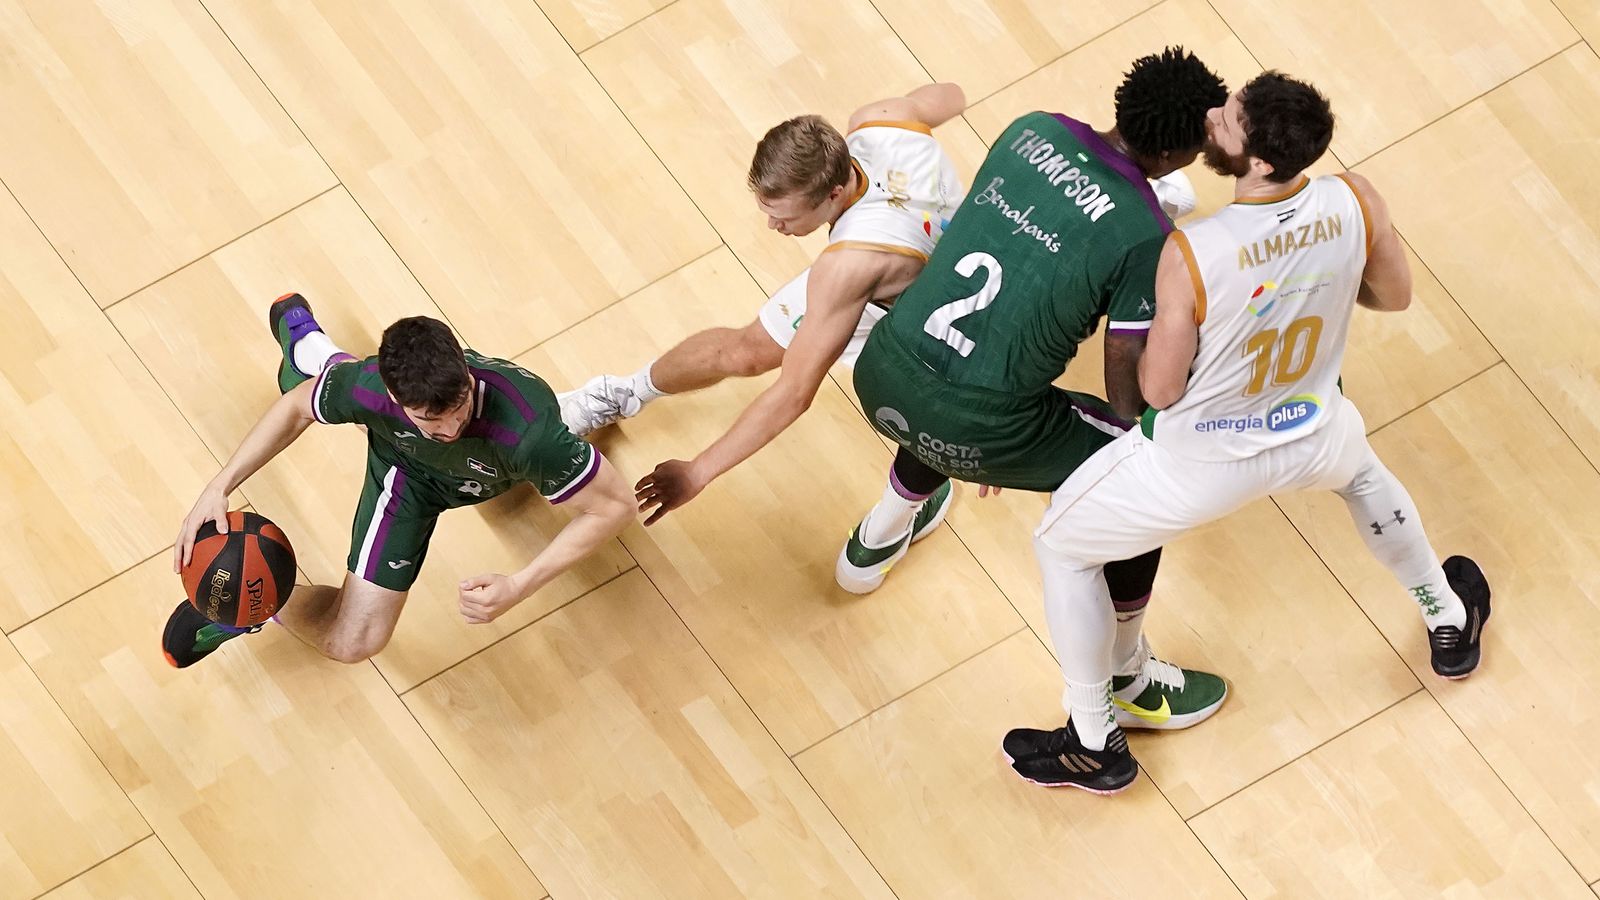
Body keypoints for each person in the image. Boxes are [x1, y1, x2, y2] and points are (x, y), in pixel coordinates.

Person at [1007, 72, 1491, 793]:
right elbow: (1394, 295)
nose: (1212, 117)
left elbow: (1161, 391)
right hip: (1313, 432)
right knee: (1362, 477)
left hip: (1200, 463)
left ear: (1259, 161)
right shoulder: (1356, 198)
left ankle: (1092, 733)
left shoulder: (1195, 252)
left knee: (1060, 547)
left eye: (1228, 117)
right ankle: (1446, 616)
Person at [835, 47, 1231, 770]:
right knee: (1140, 487)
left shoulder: (1031, 130)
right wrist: (1138, 438)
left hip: (883, 374)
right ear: (1179, 151)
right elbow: (1125, 375)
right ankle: (1129, 678)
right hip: (977, 421)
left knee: (949, 383)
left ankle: (878, 537)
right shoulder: (1147, 232)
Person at [163, 294, 634, 668]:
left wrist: (520, 585)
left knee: (524, 473)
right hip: (407, 474)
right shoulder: (373, 390)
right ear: (394, 396)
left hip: (494, 469)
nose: (451, 430)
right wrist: (218, 486)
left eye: (459, 408)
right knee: (352, 642)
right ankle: (254, 605)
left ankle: (313, 355)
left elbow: (613, 507)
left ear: (466, 373)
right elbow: (297, 409)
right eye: (432, 420)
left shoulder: (528, 434)